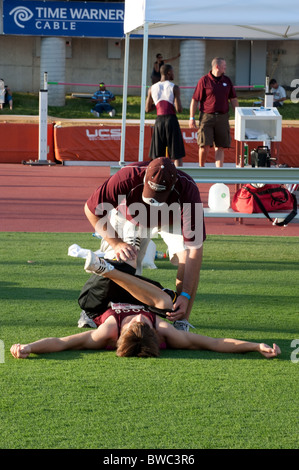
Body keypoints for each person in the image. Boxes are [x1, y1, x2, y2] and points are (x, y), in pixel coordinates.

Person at [10, 251, 281, 360]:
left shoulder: (106, 333)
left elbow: (62, 342)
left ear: (121, 336)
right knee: (165, 303)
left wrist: (29, 347)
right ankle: (112, 268)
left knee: (123, 264)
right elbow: (213, 343)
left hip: (99, 300)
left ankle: (107, 269)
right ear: (153, 332)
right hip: (144, 293)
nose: (138, 319)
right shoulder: (163, 329)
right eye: (143, 323)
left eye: (134, 325)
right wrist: (255, 345)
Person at [84, 157, 205, 331]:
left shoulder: (188, 189)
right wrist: (116, 243)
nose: (154, 200)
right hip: (131, 216)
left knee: (186, 258)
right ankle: (93, 310)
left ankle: (181, 321)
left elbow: (195, 249)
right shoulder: (127, 176)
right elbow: (91, 210)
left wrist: (185, 294)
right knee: (120, 263)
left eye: (160, 195)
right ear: (144, 177)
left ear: (173, 185)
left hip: (170, 218)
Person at [189, 57, 239, 167]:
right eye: (224, 66)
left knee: (220, 146)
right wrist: (191, 118)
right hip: (207, 117)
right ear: (217, 66)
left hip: (222, 117)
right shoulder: (204, 80)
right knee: (204, 145)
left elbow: (233, 99)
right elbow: (195, 100)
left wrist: (238, 115)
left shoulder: (227, 80)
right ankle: (201, 168)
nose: (225, 67)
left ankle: (219, 173)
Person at [145, 64, 185, 167]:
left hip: (159, 121)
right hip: (171, 120)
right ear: (168, 73)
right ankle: (178, 176)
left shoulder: (152, 88)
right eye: (173, 72)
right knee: (177, 154)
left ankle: (157, 176)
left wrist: (159, 104)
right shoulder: (174, 87)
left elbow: (147, 109)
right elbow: (179, 109)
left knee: (157, 155)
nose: (174, 74)